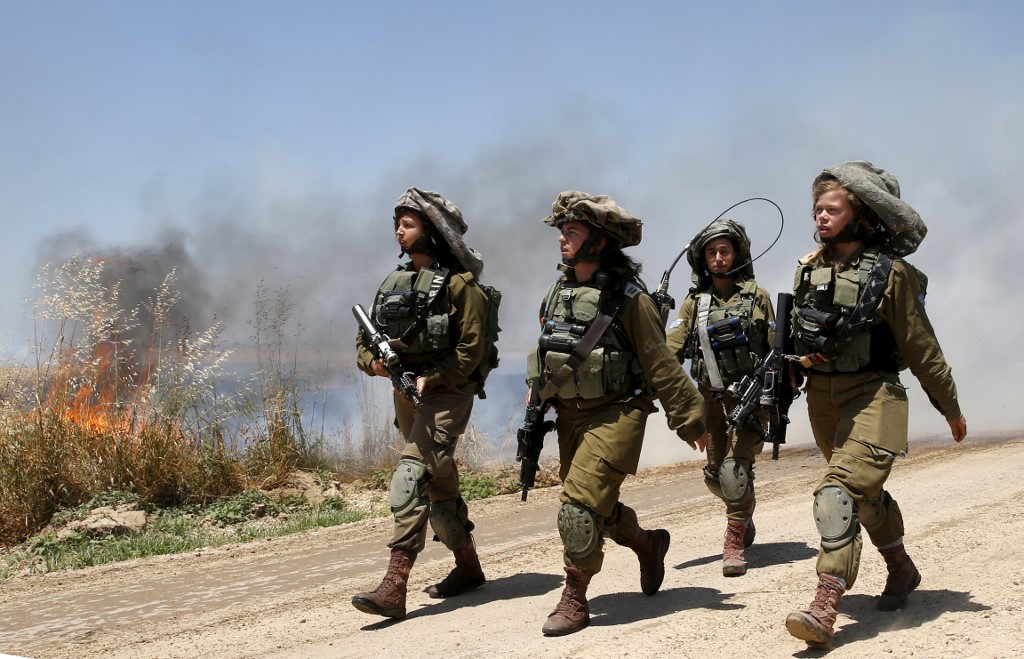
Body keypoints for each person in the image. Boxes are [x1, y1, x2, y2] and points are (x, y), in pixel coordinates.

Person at [783, 162, 967, 648]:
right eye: (817, 208)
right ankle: (901, 569)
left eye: (833, 208)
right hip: (822, 397)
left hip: (875, 395)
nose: (821, 216)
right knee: (863, 497)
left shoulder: (892, 273)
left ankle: (826, 600)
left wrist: (949, 406)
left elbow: (920, 345)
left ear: (860, 213)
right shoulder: (809, 267)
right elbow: (795, 337)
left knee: (835, 494)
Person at [526, 190, 708, 636]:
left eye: (572, 232)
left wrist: (690, 419)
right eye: (562, 232)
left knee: (578, 507)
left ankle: (574, 594)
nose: (563, 240)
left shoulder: (630, 300)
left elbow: (660, 362)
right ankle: (647, 544)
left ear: (600, 241)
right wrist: (537, 396)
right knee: (598, 509)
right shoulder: (558, 291)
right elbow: (547, 349)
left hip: (618, 413)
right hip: (570, 415)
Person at [351, 188, 491, 620]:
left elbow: (472, 349)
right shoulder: (392, 283)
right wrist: (373, 364)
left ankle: (395, 585)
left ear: (431, 232)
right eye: (398, 223)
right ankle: (468, 567)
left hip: (447, 393)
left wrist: (434, 377)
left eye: (408, 224)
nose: (399, 231)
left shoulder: (460, 286)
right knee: (440, 481)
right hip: (406, 394)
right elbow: (362, 341)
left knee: (411, 476)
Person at [665, 219, 774, 577]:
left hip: (752, 401)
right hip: (711, 401)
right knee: (716, 475)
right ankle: (744, 514)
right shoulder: (694, 303)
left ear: (737, 254)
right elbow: (670, 351)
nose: (718, 258)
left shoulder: (758, 297)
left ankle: (733, 540)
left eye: (724, 251)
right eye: (711, 252)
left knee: (734, 470)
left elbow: (777, 349)